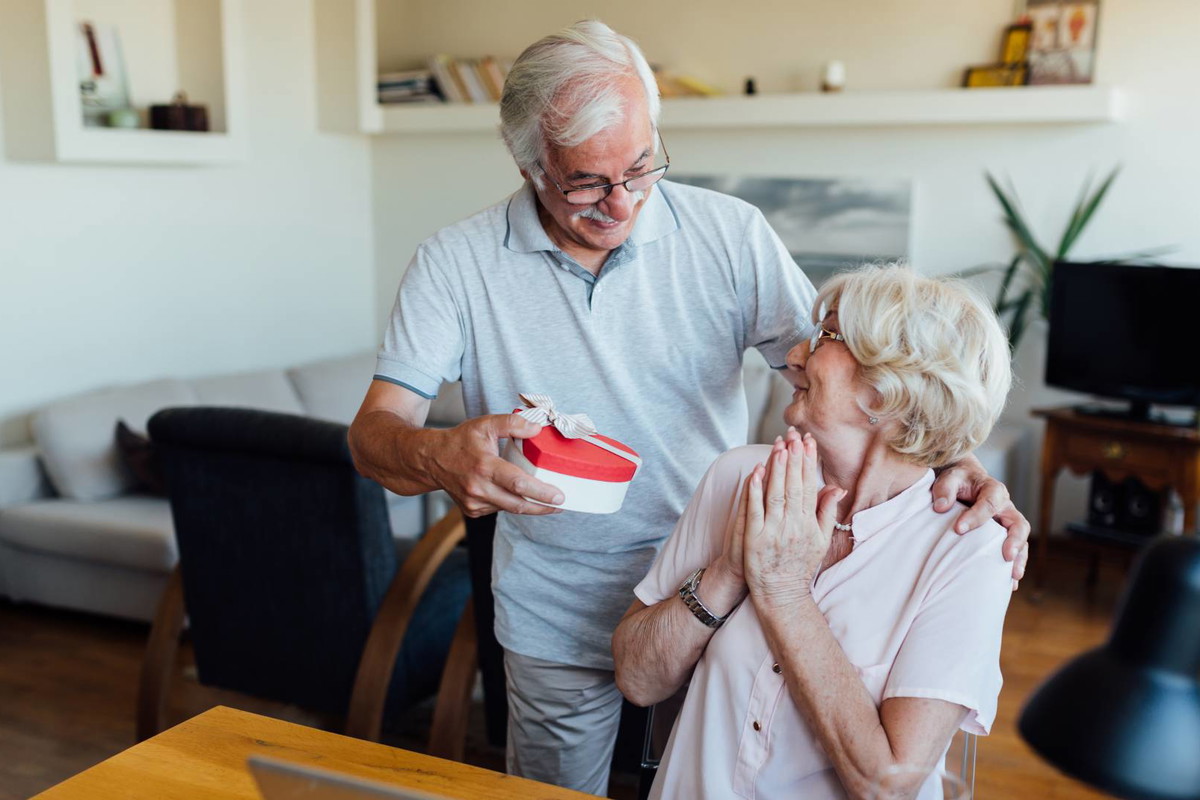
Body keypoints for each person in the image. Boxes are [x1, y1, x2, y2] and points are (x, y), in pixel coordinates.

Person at [348, 21, 1029, 796]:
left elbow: (852, 373)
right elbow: (374, 436)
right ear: (529, 163)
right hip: (558, 615)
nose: (621, 202)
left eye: (641, 168)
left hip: (723, 589)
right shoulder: (455, 265)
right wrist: (438, 456)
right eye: (586, 183)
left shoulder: (729, 236)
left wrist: (949, 456)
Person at [612, 265, 1016, 800]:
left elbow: (889, 783)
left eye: (826, 335)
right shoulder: (739, 477)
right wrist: (728, 571)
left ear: (888, 388)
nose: (795, 356)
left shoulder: (969, 548)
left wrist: (782, 588)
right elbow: (638, 680)